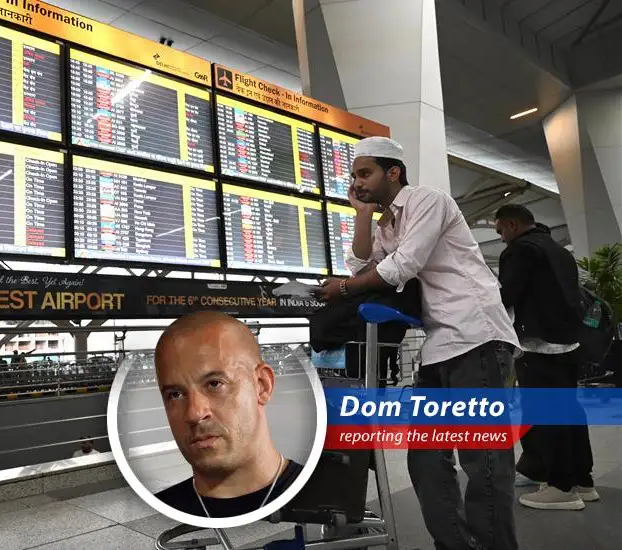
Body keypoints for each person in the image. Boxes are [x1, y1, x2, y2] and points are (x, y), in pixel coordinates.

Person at [315, 137, 520, 550]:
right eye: (354, 175)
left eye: (365, 173)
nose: (357, 182)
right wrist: (362, 215)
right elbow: (360, 264)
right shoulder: (387, 223)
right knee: (425, 457)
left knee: (482, 459)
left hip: (476, 335)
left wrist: (345, 289)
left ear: (393, 172)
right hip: (439, 345)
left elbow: (401, 266)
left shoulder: (429, 200)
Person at [495, 204, 597, 510]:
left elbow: (505, 297)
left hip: (538, 344)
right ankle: (582, 480)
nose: (501, 238)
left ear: (512, 225)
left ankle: (561, 487)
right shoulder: (559, 250)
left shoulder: (520, 250)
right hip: (568, 343)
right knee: (570, 410)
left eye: (500, 231)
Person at [153, 312, 303, 518]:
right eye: (175, 394)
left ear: (261, 386)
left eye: (215, 384)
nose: (195, 413)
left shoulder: (325, 493)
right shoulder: (161, 508)